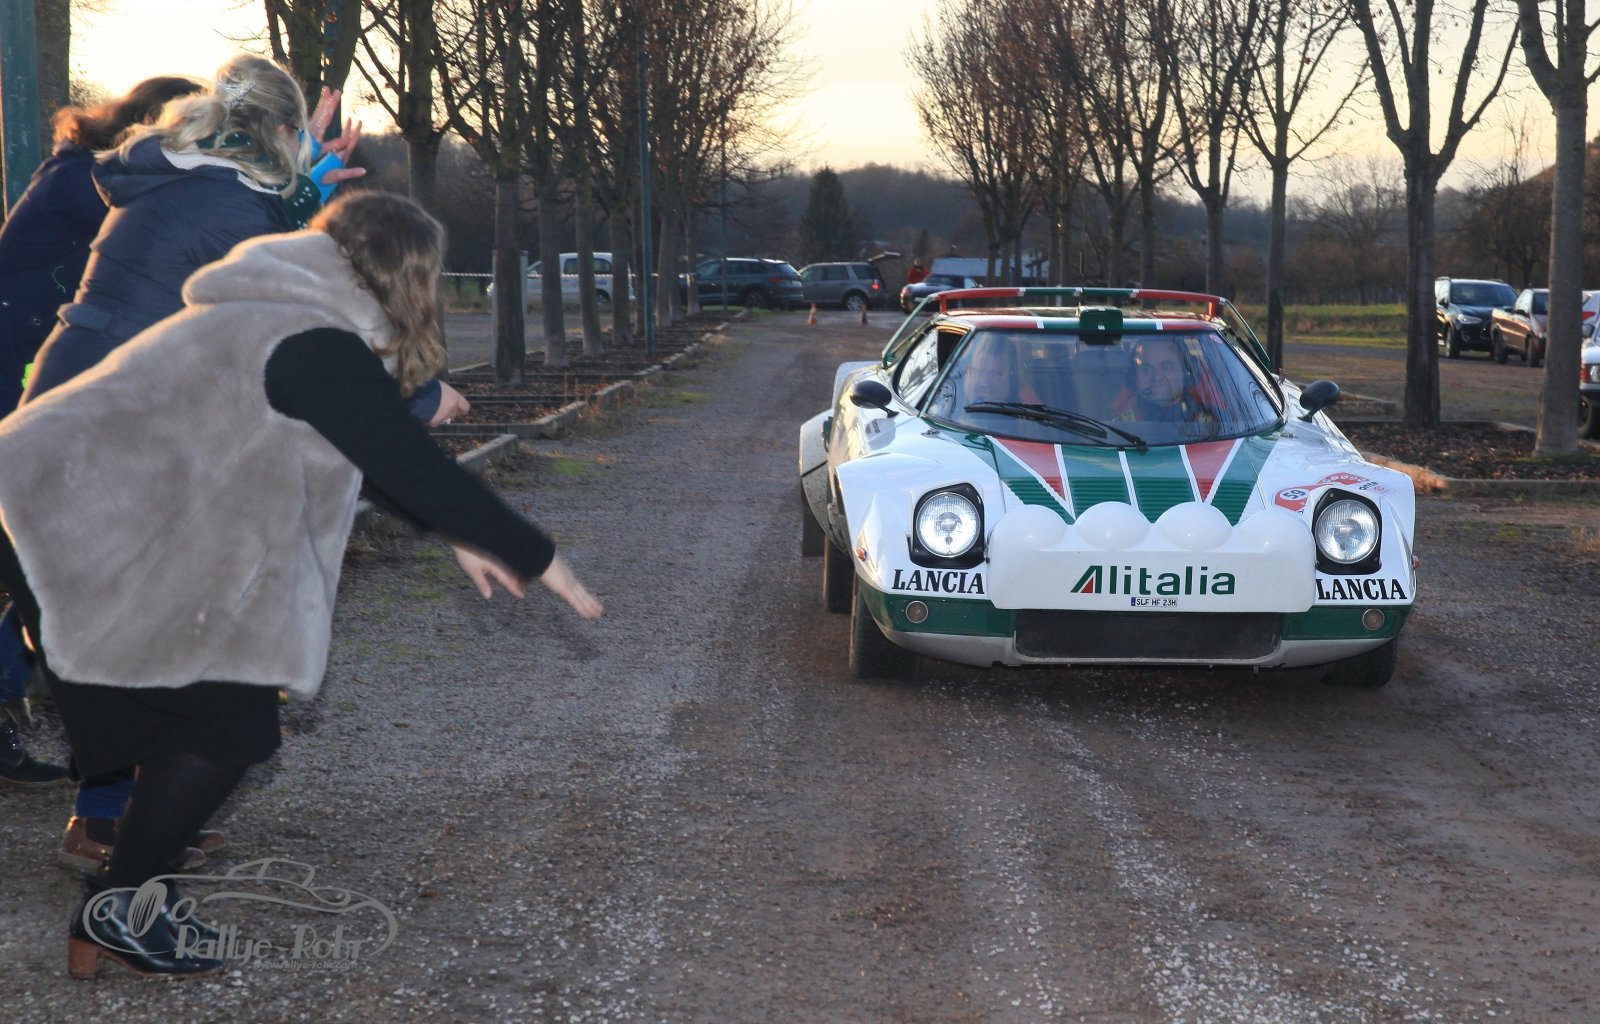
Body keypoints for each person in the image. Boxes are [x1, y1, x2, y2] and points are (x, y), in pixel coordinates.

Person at [0, 190, 603, 979]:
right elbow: (412, 466)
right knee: (222, 725)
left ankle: (127, 902)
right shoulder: (310, 338)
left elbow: (361, 449)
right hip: (67, 522)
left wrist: (460, 536)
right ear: (407, 276)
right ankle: (119, 908)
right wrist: (539, 555)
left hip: (70, 512)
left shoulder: (280, 312)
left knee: (201, 716)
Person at [11, 55, 466, 873]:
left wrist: (303, 183)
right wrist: (420, 401)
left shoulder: (178, 178)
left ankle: (122, 822)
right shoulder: (229, 207)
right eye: (295, 143)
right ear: (279, 134)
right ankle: (118, 834)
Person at [0, 76, 206, 789]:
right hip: (17, 381)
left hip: (39, 380)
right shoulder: (82, 181)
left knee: (51, 566)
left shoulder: (90, 175)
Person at [1115, 337, 1218, 425]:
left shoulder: (1211, 423)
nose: (1157, 377)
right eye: (1146, 369)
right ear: (1133, 377)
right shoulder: (1120, 424)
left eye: (1166, 367)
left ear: (1184, 372)